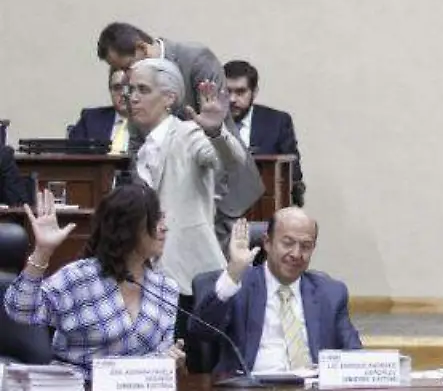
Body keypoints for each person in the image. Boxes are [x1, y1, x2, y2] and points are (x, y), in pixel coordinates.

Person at [97, 22, 264, 248]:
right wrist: (143, 206)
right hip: (169, 203)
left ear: (142, 48)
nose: (125, 77)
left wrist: (208, 206)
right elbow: (137, 145)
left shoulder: (197, 60)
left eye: (126, 67)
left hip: (220, 194)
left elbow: (218, 137)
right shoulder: (135, 86)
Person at [3, 186, 184, 376]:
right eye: (155, 220)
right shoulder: (79, 278)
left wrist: (168, 359)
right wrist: (43, 251)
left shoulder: (166, 289)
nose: (164, 227)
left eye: (163, 218)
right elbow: (21, 311)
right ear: (128, 227)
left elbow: (159, 355)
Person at [126, 57, 247, 338]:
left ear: (169, 98)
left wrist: (215, 131)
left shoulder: (188, 132)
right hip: (151, 275)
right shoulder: (143, 149)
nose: (133, 98)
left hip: (189, 275)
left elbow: (231, 160)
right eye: (131, 90)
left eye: (143, 90)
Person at [190, 209, 361, 375]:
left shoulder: (330, 293)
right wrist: (234, 272)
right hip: (252, 386)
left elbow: (353, 353)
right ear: (267, 243)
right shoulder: (238, 285)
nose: (296, 254)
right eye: (288, 243)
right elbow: (201, 332)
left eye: (306, 246)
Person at [224, 60, 304, 205]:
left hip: (265, 205)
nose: (232, 99)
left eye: (240, 92)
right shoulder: (207, 122)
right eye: (227, 91)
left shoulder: (277, 122)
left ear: (254, 92)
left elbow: (293, 173)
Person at [67, 68, 131, 154]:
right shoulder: (90, 119)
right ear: (110, 91)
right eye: (117, 88)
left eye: (129, 87)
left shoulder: (148, 122)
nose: (123, 93)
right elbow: (72, 155)